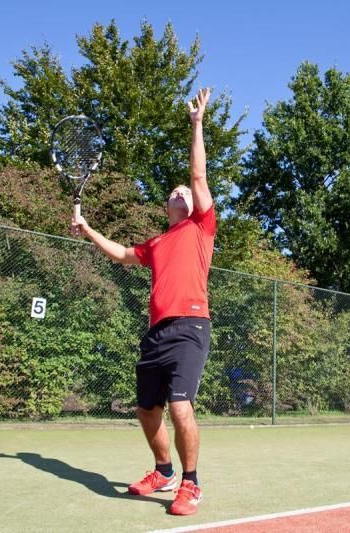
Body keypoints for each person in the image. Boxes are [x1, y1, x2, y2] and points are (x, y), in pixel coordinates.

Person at [71, 88, 215, 516]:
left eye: (184, 192)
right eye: (173, 191)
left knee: (179, 405)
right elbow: (120, 254)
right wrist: (88, 228)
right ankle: (164, 470)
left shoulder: (201, 227)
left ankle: (191, 484)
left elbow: (199, 178)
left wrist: (197, 125)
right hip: (156, 333)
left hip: (191, 327)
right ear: (166, 205)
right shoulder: (156, 242)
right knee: (146, 410)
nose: (180, 193)